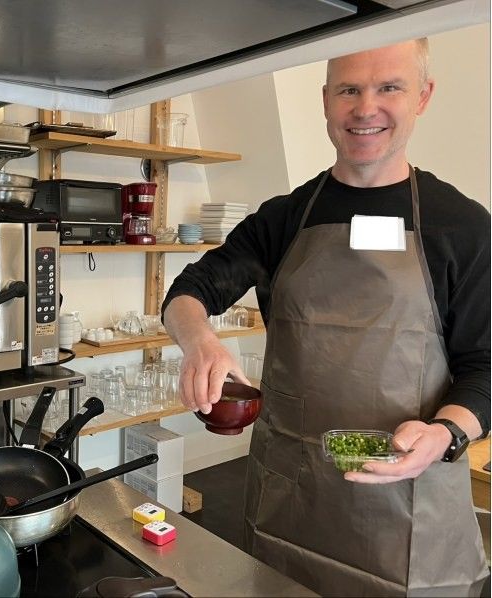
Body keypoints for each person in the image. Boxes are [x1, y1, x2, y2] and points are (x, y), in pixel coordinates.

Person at [162, 38, 489, 596]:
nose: (365, 108)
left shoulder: (462, 227)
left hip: (406, 505)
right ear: (325, 101)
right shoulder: (285, 217)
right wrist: (200, 342)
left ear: (423, 96)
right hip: (293, 494)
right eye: (348, 89)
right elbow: (189, 290)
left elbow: (485, 366)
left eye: (389, 87)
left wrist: (445, 433)